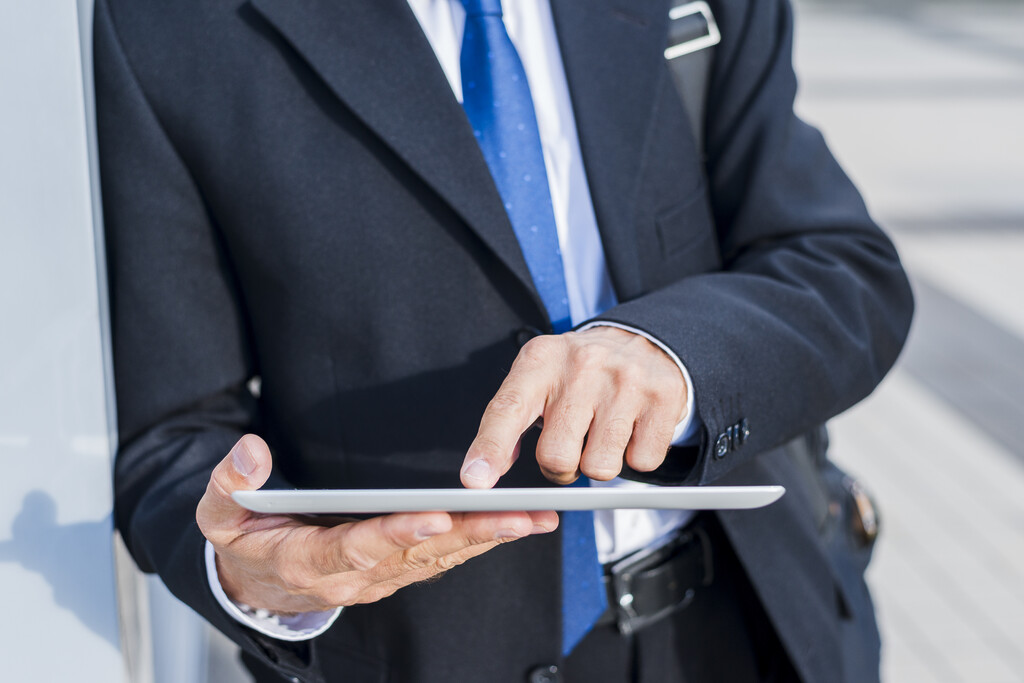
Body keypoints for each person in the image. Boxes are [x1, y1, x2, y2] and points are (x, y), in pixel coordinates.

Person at [95, 0, 913, 681]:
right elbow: (170, 431)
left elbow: (841, 265)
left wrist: (679, 355)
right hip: (425, 650)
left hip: (750, 620)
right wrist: (253, 578)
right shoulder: (167, 27)